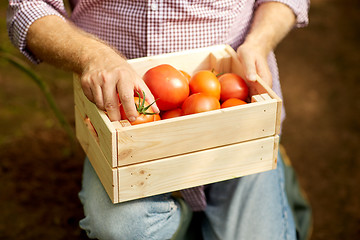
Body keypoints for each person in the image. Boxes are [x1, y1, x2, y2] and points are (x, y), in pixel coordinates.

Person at [7, 1, 309, 239]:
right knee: (123, 228)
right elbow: (27, 7)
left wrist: (260, 40)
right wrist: (91, 55)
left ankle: (273, 176)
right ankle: (190, 222)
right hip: (125, 120)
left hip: (236, 121)